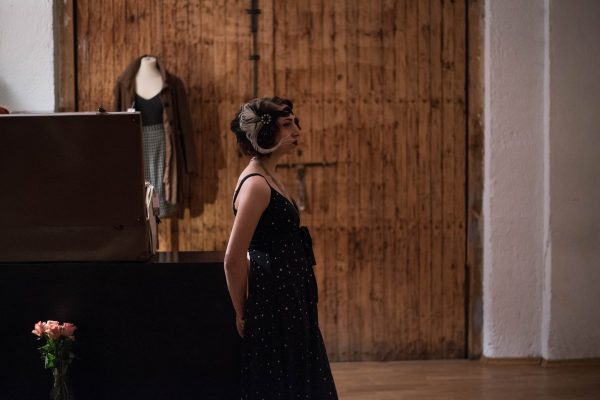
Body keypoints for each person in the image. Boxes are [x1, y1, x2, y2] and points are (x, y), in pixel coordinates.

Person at [224, 97, 338, 399]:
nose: (297, 130)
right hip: (274, 299)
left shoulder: (268, 176)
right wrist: (242, 312)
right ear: (264, 134)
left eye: (295, 123)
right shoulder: (256, 185)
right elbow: (233, 258)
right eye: (287, 125)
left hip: (288, 296)